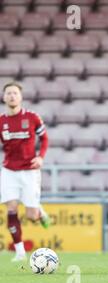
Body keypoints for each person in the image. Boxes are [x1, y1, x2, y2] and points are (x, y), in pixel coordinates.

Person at [1, 82, 50, 262]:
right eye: (9, 93)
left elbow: (44, 138)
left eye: (15, 93)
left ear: (20, 97)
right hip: (9, 171)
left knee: (31, 215)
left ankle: (39, 212)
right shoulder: (1, 121)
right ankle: (20, 252)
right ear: (4, 97)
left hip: (30, 171)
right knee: (11, 207)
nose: (12, 96)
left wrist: (41, 157)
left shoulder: (32, 117)